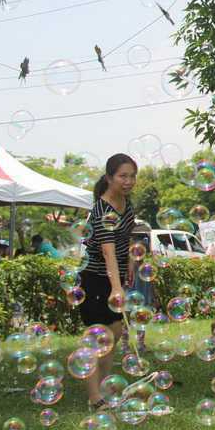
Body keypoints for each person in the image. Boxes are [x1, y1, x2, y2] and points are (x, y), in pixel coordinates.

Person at [78, 153, 138, 408]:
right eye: (123, 176)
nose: (128, 181)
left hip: (114, 276)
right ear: (109, 177)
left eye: (132, 176)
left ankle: (103, 389)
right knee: (96, 338)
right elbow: (107, 250)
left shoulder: (127, 203)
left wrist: (131, 264)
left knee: (113, 335)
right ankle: (94, 398)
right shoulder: (102, 210)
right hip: (94, 279)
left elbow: (128, 238)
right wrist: (115, 287)